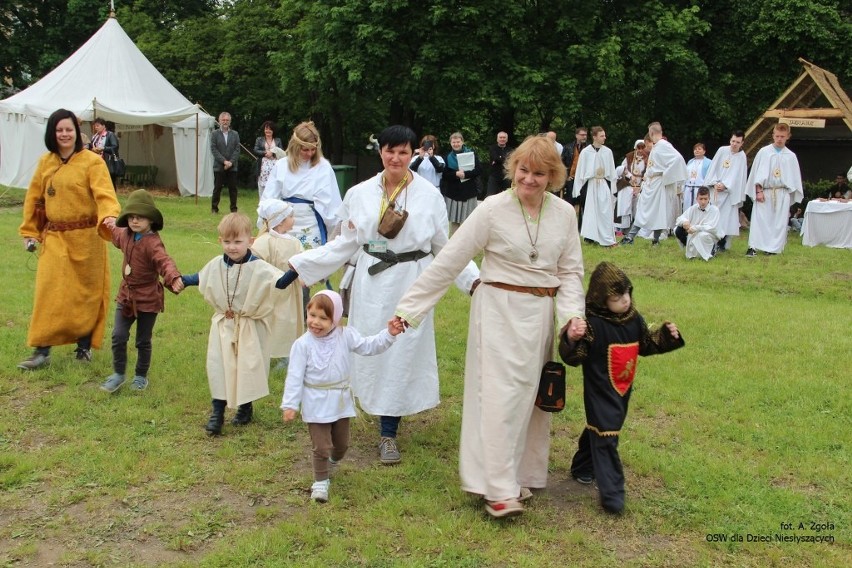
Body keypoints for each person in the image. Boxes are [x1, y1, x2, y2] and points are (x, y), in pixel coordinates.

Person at [394, 135, 586, 519]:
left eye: (539, 173)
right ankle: (497, 491)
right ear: (513, 169)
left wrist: (572, 317)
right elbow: (450, 260)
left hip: (540, 317)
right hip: (497, 311)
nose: (528, 179)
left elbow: (570, 273)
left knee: (529, 399)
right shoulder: (491, 209)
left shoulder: (565, 214)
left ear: (554, 176)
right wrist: (409, 310)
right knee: (499, 397)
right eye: (523, 170)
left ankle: (516, 476)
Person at [280, 125, 479, 465]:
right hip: (372, 284)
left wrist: (475, 282)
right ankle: (351, 413)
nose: (396, 158)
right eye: (390, 151)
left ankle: (389, 432)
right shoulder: (360, 193)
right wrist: (301, 266)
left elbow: (446, 249)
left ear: (413, 152)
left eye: (404, 152)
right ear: (381, 152)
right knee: (371, 349)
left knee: (402, 351)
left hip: (412, 283)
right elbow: (345, 243)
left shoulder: (429, 197)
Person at [559, 261, 684, 514]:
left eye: (627, 293)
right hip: (599, 390)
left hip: (622, 390)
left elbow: (647, 344)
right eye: (617, 297)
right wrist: (572, 339)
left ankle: (582, 466)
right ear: (602, 299)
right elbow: (575, 357)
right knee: (607, 436)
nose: (625, 301)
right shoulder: (592, 325)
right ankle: (613, 495)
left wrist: (667, 336)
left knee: (600, 429)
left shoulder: (633, 320)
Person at [17, 108, 121, 370]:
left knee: (85, 293)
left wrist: (109, 216)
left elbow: (105, 195)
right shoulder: (45, 162)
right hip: (54, 237)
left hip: (87, 238)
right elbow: (34, 198)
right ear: (52, 133)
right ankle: (42, 350)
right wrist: (29, 231)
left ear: (77, 133)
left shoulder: (92, 161)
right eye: (59, 130)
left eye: (69, 130)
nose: (64, 134)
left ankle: (83, 346)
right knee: (48, 291)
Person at [281, 291, 404, 503]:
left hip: (339, 401)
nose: (315, 322)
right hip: (315, 402)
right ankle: (320, 481)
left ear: (336, 318)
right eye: (311, 315)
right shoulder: (302, 345)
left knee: (342, 444)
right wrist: (291, 404)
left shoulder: (345, 335)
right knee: (321, 445)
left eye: (323, 318)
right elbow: (294, 376)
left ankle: (333, 459)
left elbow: (368, 346)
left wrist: (389, 334)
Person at [180, 213, 292, 436]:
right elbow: (199, 277)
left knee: (245, 368)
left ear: (250, 241)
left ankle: (245, 407)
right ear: (220, 241)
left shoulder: (259, 267)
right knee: (219, 367)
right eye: (227, 242)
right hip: (224, 326)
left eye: (238, 242)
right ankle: (217, 413)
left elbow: (278, 282)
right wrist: (180, 280)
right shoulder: (216, 264)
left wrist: (298, 269)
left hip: (249, 327)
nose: (232, 247)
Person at [100, 190, 184, 393]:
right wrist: (111, 223)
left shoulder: (153, 243)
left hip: (148, 298)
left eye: (140, 217)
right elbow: (116, 233)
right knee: (118, 335)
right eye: (131, 217)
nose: (135, 221)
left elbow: (165, 261)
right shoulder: (125, 234)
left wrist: (174, 277)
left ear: (151, 220)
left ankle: (140, 376)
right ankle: (118, 374)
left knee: (142, 340)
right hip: (126, 296)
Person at [261, 121, 341, 251]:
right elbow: (268, 199)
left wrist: (335, 232)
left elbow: (332, 203)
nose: (310, 154)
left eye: (313, 149)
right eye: (305, 149)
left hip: (311, 226)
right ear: (296, 146)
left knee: (309, 265)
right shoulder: (281, 165)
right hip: (283, 224)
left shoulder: (323, 167)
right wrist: (266, 223)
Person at [252, 199, 304, 366]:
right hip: (270, 290)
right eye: (291, 216)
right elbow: (255, 262)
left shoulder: (294, 242)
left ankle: (286, 355)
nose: (293, 219)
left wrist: (304, 277)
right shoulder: (266, 240)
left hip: (290, 291)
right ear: (280, 220)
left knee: (287, 321)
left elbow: (302, 262)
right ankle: (264, 351)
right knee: (269, 320)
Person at [620, 122, 687, 246]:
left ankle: (643, 238)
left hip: (657, 183)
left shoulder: (663, 145)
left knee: (654, 211)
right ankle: (634, 237)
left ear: (651, 133)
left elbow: (678, 159)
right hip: (652, 183)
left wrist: (665, 175)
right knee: (646, 210)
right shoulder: (658, 146)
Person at [745, 122, 803, 257]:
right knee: (760, 219)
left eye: (782, 136)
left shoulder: (791, 156)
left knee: (778, 222)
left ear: (788, 136)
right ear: (773, 135)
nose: (779, 139)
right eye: (777, 136)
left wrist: (790, 195)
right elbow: (756, 173)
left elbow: (794, 178)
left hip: (782, 192)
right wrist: (758, 191)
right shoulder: (764, 152)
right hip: (765, 191)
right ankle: (753, 247)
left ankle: (772, 248)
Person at [573, 126, 617, 246]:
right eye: (602, 136)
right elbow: (580, 171)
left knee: (604, 210)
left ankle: (606, 237)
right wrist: (578, 188)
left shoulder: (607, 152)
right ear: (595, 137)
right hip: (591, 184)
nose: (604, 138)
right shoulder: (586, 152)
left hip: (602, 183)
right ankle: (591, 236)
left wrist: (613, 188)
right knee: (591, 210)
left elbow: (612, 172)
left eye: (604, 135)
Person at [703, 131, 747, 252]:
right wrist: (714, 183)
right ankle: (709, 241)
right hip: (715, 190)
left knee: (725, 219)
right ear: (730, 140)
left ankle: (722, 243)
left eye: (737, 142)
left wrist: (726, 185)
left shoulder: (742, 156)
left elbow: (739, 176)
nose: (734, 144)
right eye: (733, 141)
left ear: (742, 143)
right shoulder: (722, 150)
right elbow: (714, 168)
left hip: (728, 194)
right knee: (712, 216)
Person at [442, 132, 482, 230]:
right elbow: (444, 175)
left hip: (468, 192)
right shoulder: (447, 157)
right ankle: (454, 242)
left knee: (467, 221)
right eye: (453, 142)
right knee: (454, 222)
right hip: (453, 193)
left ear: (462, 142)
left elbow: (479, 170)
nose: (456, 144)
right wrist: (456, 174)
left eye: (458, 142)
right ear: (450, 143)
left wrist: (466, 174)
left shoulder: (471, 154)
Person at [674, 187, 723, 260]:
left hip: (710, 234)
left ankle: (710, 251)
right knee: (677, 230)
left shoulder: (714, 210)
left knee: (701, 235)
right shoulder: (693, 208)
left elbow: (711, 228)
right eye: (701, 199)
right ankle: (691, 251)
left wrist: (696, 228)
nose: (703, 202)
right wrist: (684, 221)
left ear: (709, 198)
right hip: (694, 232)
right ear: (697, 199)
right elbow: (679, 219)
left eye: (705, 199)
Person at [211, 111, 240, 214]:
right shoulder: (214, 134)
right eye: (223, 120)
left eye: (227, 120)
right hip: (219, 166)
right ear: (219, 121)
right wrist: (224, 161)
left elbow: (237, 150)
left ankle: (233, 209)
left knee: (233, 189)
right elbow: (214, 149)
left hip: (232, 167)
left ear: (230, 121)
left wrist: (231, 162)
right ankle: (214, 208)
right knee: (217, 188)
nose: (225, 122)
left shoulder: (235, 134)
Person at [615, 139, 648, 232]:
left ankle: (637, 226)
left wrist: (642, 181)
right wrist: (630, 176)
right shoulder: (629, 156)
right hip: (629, 184)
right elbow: (622, 168)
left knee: (639, 205)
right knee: (627, 205)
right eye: (639, 147)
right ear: (635, 147)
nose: (640, 150)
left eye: (642, 147)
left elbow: (649, 170)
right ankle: (626, 227)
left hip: (641, 183)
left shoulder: (648, 158)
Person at [253, 120, 283, 199]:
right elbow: (255, 150)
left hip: (275, 167)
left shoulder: (278, 140)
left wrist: (272, 153)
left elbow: (282, 152)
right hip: (262, 167)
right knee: (262, 188)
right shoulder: (259, 139)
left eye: (270, 129)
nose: (268, 131)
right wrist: (265, 152)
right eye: (266, 129)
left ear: (273, 130)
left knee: (274, 187)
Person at [561, 127, 588, 211]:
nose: (584, 137)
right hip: (572, 179)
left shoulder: (590, 148)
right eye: (582, 135)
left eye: (585, 135)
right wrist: (566, 176)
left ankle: (583, 224)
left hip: (584, 181)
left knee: (585, 205)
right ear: (577, 135)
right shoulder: (568, 147)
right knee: (569, 204)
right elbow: (562, 163)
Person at [89, 117, 120, 189]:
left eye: (98, 125)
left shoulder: (110, 135)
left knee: (110, 183)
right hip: (97, 162)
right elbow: (91, 146)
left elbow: (115, 147)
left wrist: (103, 148)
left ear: (103, 126)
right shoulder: (95, 136)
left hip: (108, 162)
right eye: (95, 126)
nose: (96, 127)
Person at [683, 143, 711, 212]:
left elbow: (710, 176)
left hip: (700, 189)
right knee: (687, 209)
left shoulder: (709, 162)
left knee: (699, 208)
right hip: (689, 189)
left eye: (699, 149)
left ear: (704, 151)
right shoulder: (690, 162)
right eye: (695, 149)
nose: (697, 151)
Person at [487, 131, 513, 197]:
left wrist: (499, 158)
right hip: (494, 176)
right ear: (497, 139)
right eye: (500, 137)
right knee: (490, 196)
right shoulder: (492, 148)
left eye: (504, 137)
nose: (502, 139)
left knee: (507, 197)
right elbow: (495, 158)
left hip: (506, 177)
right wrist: (505, 158)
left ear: (506, 139)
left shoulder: (510, 150)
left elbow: (511, 160)